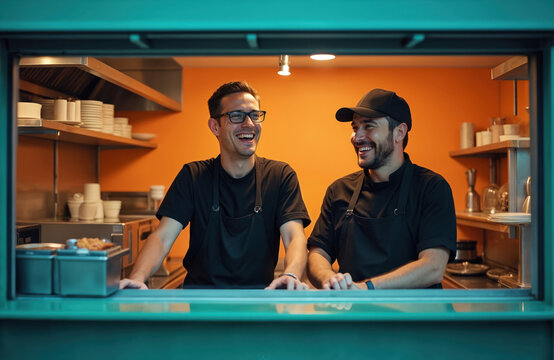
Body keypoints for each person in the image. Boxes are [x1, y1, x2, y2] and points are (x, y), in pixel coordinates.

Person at [120, 81, 311, 290]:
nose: (249, 123)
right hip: (202, 303)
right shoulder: (193, 176)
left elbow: (294, 237)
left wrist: (291, 273)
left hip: (259, 303)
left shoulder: (280, 176)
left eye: (254, 115)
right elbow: (162, 237)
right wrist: (138, 278)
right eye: (236, 116)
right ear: (215, 127)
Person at [307, 88, 456, 290]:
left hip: (416, 317)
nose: (357, 137)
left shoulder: (431, 188)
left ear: (399, 133)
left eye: (368, 126)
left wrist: (366, 288)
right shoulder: (339, 190)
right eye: (355, 127)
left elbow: (433, 266)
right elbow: (318, 252)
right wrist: (328, 278)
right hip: (355, 314)